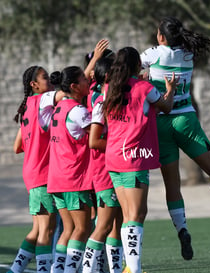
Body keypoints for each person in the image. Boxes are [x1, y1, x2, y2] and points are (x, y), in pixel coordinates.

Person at [140, 16, 210, 260]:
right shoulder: (189, 54)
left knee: (173, 185)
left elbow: (132, 68)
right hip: (186, 120)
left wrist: (144, 77)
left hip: (160, 123)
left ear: (160, 37)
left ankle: (182, 229)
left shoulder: (152, 54)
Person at [101, 46, 177, 273]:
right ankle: (133, 269)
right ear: (136, 65)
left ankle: (130, 266)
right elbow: (166, 106)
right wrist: (171, 89)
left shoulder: (109, 88)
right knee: (136, 215)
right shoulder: (145, 88)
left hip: (114, 157)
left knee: (130, 215)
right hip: (134, 157)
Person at [9, 66, 65, 273]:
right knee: (47, 231)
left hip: (32, 173)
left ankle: (14, 270)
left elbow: (17, 147)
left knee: (38, 229)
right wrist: (93, 61)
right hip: (42, 175)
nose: (49, 80)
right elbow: (68, 91)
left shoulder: (27, 108)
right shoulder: (41, 100)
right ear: (34, 85)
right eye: (44, 77)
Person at [47, 66, 93, 273]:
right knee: (82, 229)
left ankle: (58, 270)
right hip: (73, 178)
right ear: (74, 86)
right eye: (84, 78)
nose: (88, 80)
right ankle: (68, 270)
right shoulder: (78, 111)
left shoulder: (57, 109)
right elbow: (98, 134)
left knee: (68, 229)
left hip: (56, 178)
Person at [82, 56, 124, 273]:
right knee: (103, 226)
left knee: (116, 223)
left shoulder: (104, 95)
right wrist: (119, 144)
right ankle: (89, 269)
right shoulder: (100, 99)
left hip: (112, 166)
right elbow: (95, 141)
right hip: (104, 168)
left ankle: (114, 270)